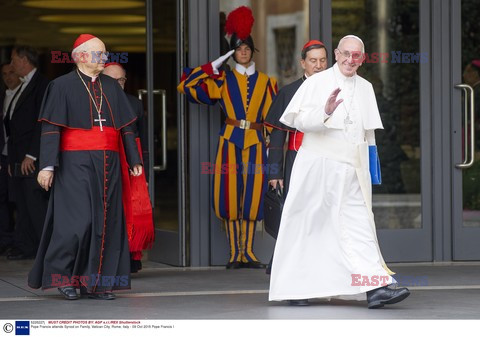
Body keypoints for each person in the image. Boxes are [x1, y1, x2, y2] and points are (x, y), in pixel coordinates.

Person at [269, 35, 410, 308]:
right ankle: (297, 288)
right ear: (336, 54)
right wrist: (324, 111)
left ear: (363, 58)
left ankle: (376, 288)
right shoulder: (317, 82)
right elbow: (296, 121)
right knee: (308, 227)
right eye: (345, 53)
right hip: (317, 166)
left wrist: (370, 172)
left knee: (360, 227)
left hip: (353, 170)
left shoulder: (366, 87)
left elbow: (368, 136)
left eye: (356, 55)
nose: (350, 59)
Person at [28, 34, 143, 300]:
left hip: (109, 164)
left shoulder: (111, 86)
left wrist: (134, 159)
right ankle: (64, 279)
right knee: (76, 223)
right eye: (98, 54)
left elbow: (126, 126)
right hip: (74, 165)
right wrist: (46, 166)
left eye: (105, 54)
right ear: (80, 56)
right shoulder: (61, 86)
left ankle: (100, 283)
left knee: (108, 223)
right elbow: (51, 128)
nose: (104, 58)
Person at [178, 6, 277, 268]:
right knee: (230, 196)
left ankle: (249, 253)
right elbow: (185, 86)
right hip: (230, 141)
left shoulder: (269, 82)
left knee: (253, 196)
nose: (243, 52)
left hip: (256, 142)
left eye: (246, 47)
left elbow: (273, 118)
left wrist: (270, 144)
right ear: (232, 52)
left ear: (252, 49)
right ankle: (236, 253)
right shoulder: (221, 79)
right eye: (238, 48)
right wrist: (212, 66)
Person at [264, 40, 328, 274]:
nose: (319, 66)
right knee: (296, 213)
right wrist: (275, 173)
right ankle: (285, 265)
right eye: (313, 61)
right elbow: (278, 136)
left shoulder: (335, 89)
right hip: (296, 159)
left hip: (327, 159)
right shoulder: (289, 92)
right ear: (303, 63)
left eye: (322, 60)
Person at [102, 62, 153, 273]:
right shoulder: (96, 104)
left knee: (132, 210)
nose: (116, 84)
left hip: (132, 165)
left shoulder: (135, 104)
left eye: (120, 80)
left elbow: (145, 142)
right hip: (107, 163)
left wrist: (145, 173)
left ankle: (131, 256)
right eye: (111, 80)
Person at [6, 46, 50, 260]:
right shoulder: (23, 86)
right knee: (22, 204)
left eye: (14, 60)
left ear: (24, 60)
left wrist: (32, 154)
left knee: (35, 205)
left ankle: (46, 250)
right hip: (17, 156)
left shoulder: (42, 85)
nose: (12, 65)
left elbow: (42, 122)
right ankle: (27, 247)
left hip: (32, 159)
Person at [0, 62, 21, 255]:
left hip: (19, 156)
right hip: (4, 155)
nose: (8, 77)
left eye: (12, 73)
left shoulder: (23, 96)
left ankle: (17, 240)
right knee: (3, 198)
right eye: (4, 74)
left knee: (17, 199)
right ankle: (6, 239)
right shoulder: (3, 98)